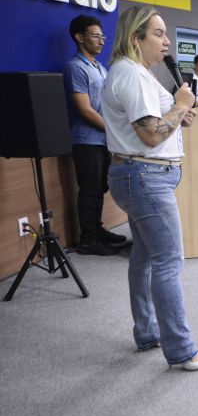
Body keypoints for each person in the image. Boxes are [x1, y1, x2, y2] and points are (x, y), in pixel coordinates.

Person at [101, 5, 198, 370]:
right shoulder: (132, 75)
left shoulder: (137, 74)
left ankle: (148, 332)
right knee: (168, 262)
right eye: (158, 34)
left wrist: (178, 113)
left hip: (139, 176)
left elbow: (153, 125)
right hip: (145, 177)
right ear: (135, 37)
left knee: (145, 258)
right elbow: (151, 135)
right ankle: (182, 351)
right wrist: (180, 106)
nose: (167, 41)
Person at [63, 14, 126, 256]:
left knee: (99, 187)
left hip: (103, 139)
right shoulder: (75, 68)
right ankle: (87, 239)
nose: (101, 41)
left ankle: (97, 230)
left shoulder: (100, 67)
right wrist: (114, 129)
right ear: (80, 38)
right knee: (89, 189)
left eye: (103, 36)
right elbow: (85, 110)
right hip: (86, 140)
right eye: (95, 36)